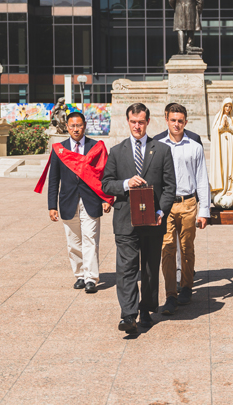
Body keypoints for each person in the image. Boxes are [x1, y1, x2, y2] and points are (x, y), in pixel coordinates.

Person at [102, 103, 177, 334]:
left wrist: (160, 212)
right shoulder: (116, 151)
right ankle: (128, 315)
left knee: (149, 268)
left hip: (152, 221)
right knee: (126, 269)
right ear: (128, 122)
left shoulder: (162, 150)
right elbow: (106, 183)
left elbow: (170, 187)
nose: (137, 126)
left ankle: (146, 309)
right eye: (133, 122)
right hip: (125, 220)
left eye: (141, 122)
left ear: (148, 122)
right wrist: (125, 183)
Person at [39, 112, 113, 294]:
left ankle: (91, 278)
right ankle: (80, 275)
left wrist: (106, 198)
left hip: (91, 200)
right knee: (73, 242)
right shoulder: (59, 149)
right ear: (67, 127)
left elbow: (104, 175)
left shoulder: (96, 147)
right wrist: (51, 206)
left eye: (79, 125)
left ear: (85, 125)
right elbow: (54, 179)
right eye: (72, 126)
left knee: (90, 240)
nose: (75, 129)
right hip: (68, 201)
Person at [157, 103, 211, 315]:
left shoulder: (195, 146)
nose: (177, 124)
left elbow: (201, 179)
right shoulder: (158, 144)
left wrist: (204, 210)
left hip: (188, 203)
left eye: (180, 121)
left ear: (186, 122)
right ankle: (171, 294)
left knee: (187, 248)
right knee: (167, 249)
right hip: (166, 204)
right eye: (173, 120)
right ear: (166, 120)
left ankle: (186, 286)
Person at [210, 98, 233, 208]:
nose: (228, 108)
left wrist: (229, 127)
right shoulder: (218, 117)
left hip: (231, 147)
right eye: (226, 106)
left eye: (230, 106)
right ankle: (221, 189)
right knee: (222, 166)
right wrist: (221, 127)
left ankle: (231, 188)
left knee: (231, 166)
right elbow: (214, 131)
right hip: (221, 147)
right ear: (223, 106)